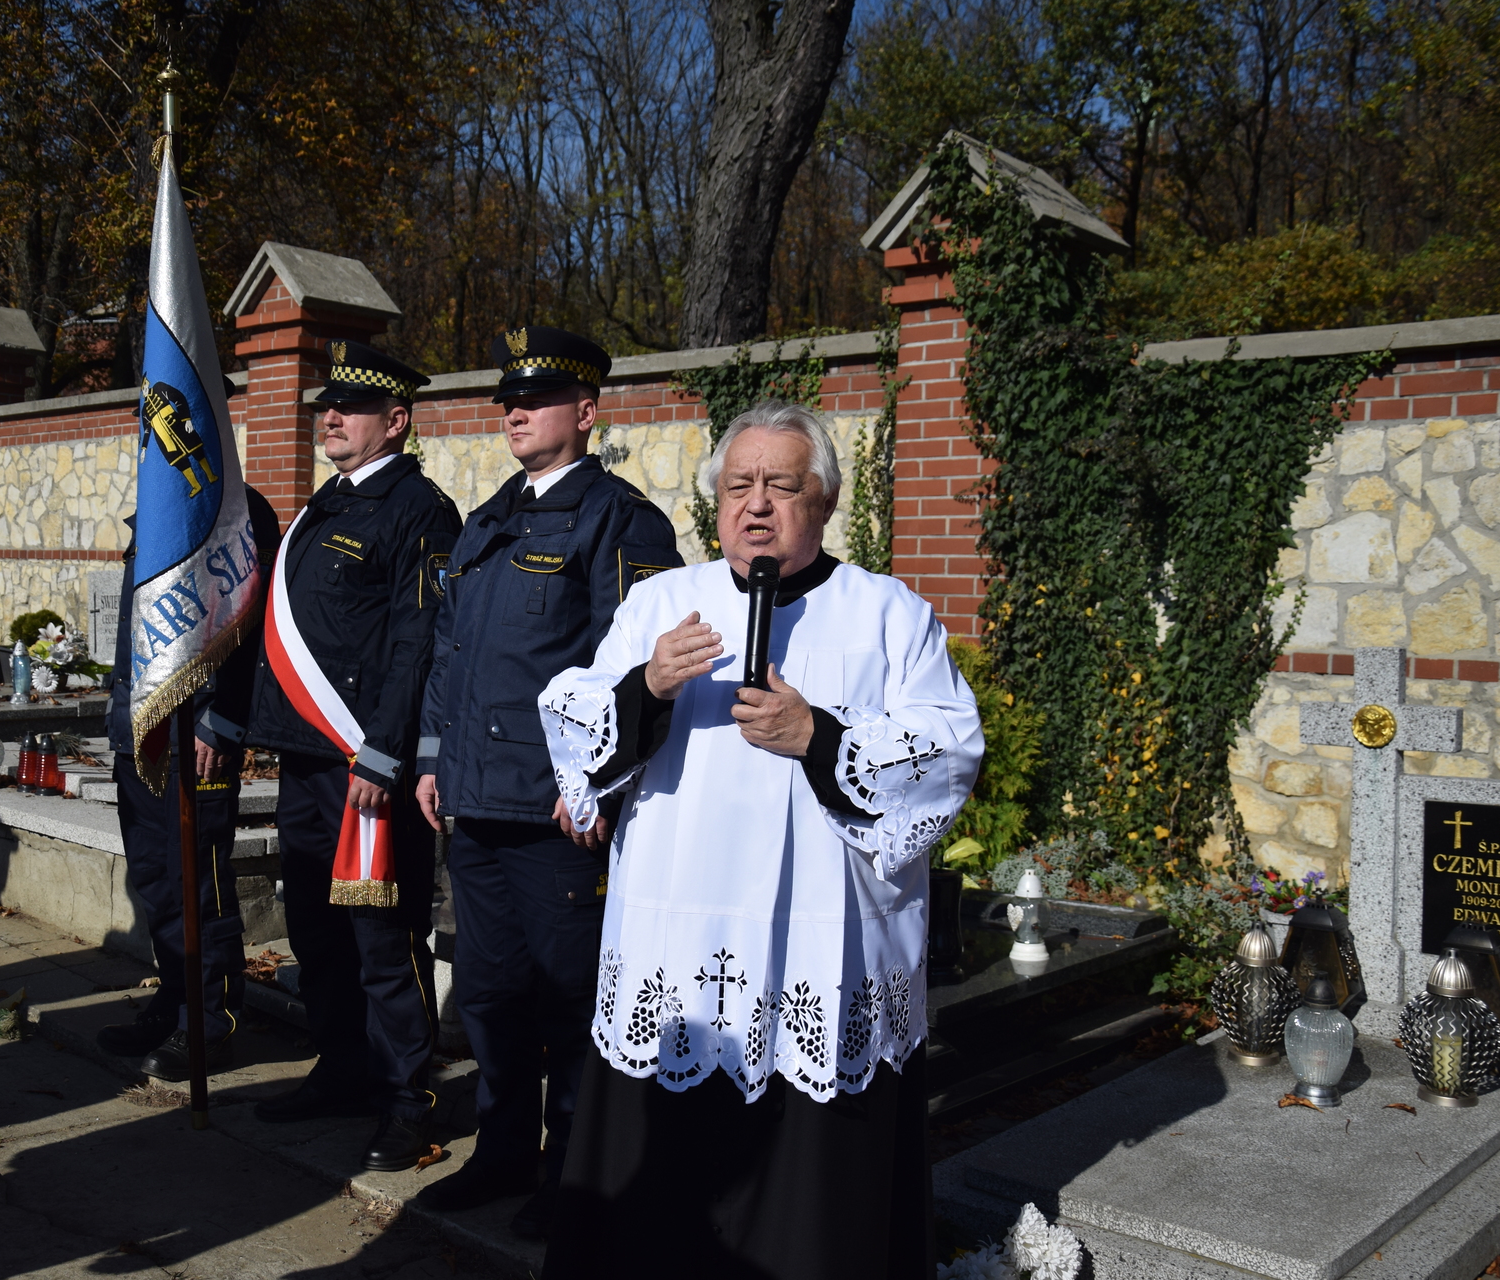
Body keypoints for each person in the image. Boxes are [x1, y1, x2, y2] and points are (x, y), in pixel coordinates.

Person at [534, 400, 984, 1278]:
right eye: (739, 485)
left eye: (784, 485)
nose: (757, 504)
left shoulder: (887, 614)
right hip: (680, 941)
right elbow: (572, 718)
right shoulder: (664, 602)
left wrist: (820, 736)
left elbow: (950, 748)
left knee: (808, 1203)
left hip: (825, 947)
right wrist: (647, 687)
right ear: (716, 502)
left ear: (824, 501)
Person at [413, 326, 683, 1239]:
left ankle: (572, 1174)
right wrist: (431, 756)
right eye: (509, 400)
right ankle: (500, 1154)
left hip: (557, 813)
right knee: (489, 993)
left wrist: (602, 785)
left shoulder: (622, 521)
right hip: (476, 803)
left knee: (569, 1000)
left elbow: (641, 669)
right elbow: (451, 653)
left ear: (587, 411)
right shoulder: (488, 517)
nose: (516, 411)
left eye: (537, 398)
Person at [244, 341, 463, 1172]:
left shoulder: (422, 512)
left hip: (367, 768)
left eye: (351, 408)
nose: (329, 418)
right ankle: (342, 1068)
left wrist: (381, 753)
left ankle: (410, 1098)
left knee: (381, 934)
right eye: (325, 408)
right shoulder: (321, 508)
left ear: (395, 421)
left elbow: (421, 642)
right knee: (316, 931)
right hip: (306, 761)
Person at [95, 487, 281, 1081]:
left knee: (198, 887)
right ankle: (174, 1003)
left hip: (197, 737)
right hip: (143, 731)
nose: (156, 424)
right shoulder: (158, 505)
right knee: (155, 881)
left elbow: (252, 626)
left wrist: (222, 722)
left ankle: (210, 1018)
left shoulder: (235, 508)